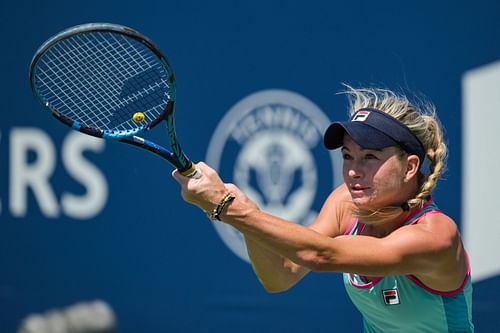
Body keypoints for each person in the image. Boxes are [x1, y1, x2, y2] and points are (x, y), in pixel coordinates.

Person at [172, 86, 473, 332]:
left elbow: (320, 255)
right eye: (347, 156)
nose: (353, 171)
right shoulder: (345, 202)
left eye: (369, 157)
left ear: (409, 167)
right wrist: (243, 217)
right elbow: (281, 276)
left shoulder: (436, 237)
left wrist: (230, 209)